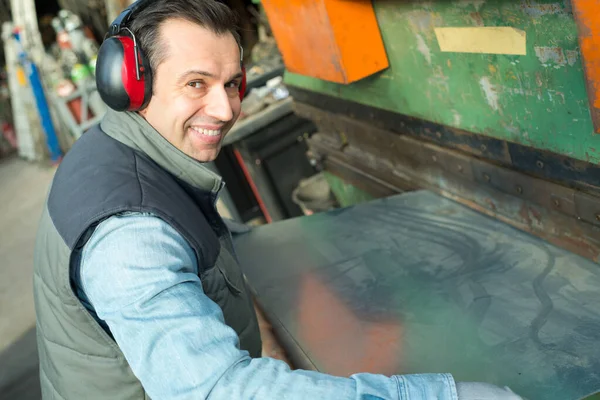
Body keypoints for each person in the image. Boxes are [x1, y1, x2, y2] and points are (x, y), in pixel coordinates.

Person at [33, 0, 524, 399]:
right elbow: (217, 391)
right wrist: (443, 396)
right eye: (196, 84)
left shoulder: (128, 151)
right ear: (129, 85)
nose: (225, 109)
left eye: (231, 84)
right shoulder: (130, 234)